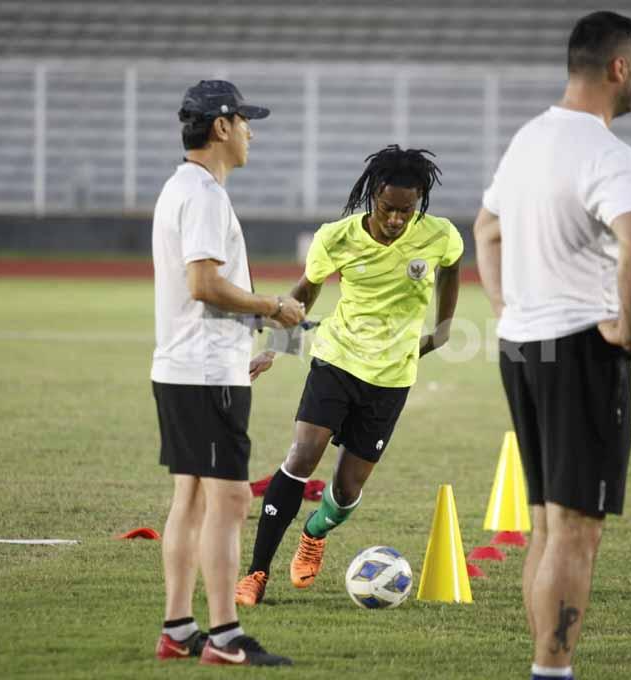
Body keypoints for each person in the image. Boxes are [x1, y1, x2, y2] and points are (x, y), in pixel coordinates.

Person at [472, 12, 631, 680]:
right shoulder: (609, 154)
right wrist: (630, 331)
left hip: (522, 346)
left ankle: (546, 666)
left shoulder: (529, 138)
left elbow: (485, 228)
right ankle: (551, 673)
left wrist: (504, 306)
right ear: (618, 68)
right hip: (580, 347)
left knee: (549, 526)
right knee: (576, 528)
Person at [233, 145, 462, 606]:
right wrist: (276, 346)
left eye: (406, 210)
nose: (396, 219)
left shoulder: (439, 235)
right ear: (371, 196)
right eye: (387, 208)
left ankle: (316, 532)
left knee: (346, 488)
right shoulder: (336, 238)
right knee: (302, 457)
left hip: (391, 378)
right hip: (336, 360)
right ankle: (256, 573)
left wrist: (442, 329)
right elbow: (305, 291)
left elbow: (452, 266)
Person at [150, 79, 305, 667]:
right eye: (244, 122)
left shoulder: (181, 187)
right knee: (231, 500)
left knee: (191, 497)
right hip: (204, 373)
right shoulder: (205, 195)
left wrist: (245, 343)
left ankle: (178, 628)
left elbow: (202, 291)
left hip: (189, 367)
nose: (250, 134)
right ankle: (225, 636)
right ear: (221, 126)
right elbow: (204, 283)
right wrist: (273, 306)